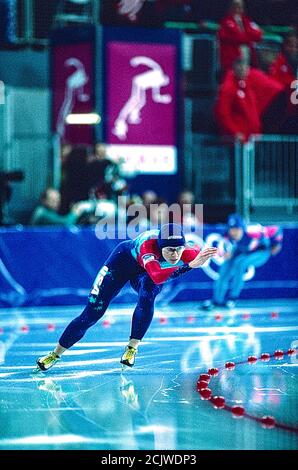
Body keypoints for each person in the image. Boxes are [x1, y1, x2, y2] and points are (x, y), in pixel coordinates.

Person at [36, 223, 217, 370]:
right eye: (170, 250)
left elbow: (155, 279)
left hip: (143, 275)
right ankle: (55, 354)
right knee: (92, 314)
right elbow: (157, 275)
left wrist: (195, 260)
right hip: (121, 263)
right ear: (160, 247)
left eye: (179, 249)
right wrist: (189, 266)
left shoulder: (189, 252)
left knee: (148, 292)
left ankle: (132, 348)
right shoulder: (147, 247)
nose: (175, 254)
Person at [202, 214, 283, 310]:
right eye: (231, 229)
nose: (234, 233)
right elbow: (222, 248)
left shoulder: (252, 231)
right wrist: (224, 253)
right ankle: (217, 300)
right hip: (242, 251)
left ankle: (232, 298)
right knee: (224, 269)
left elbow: (277, 229)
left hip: (261, 251)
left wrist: (278, 244)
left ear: (242, 228)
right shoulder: (226, 235)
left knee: (240, 263)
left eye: (237, 229)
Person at [214, 58, 284, 142]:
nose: (243, 70)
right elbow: (223, 113)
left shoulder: (247, 87)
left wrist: (257, 131)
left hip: (250, 138)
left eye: (245, 68)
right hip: (237, 141)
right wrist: (235, 132)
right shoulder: (228, 88)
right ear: (234, 69)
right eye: (240, 68)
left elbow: (252, 111)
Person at [218, 0, 263, 77]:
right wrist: (248, 37)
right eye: (236, 7)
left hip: (247, 53)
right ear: (231, 8)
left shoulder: (247, 21)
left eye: (240, 7)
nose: (238, 9)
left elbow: (258, 35)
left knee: (248, 75)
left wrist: (245, 36)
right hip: (232, 56)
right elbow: (237, 37)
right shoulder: (226, 22)